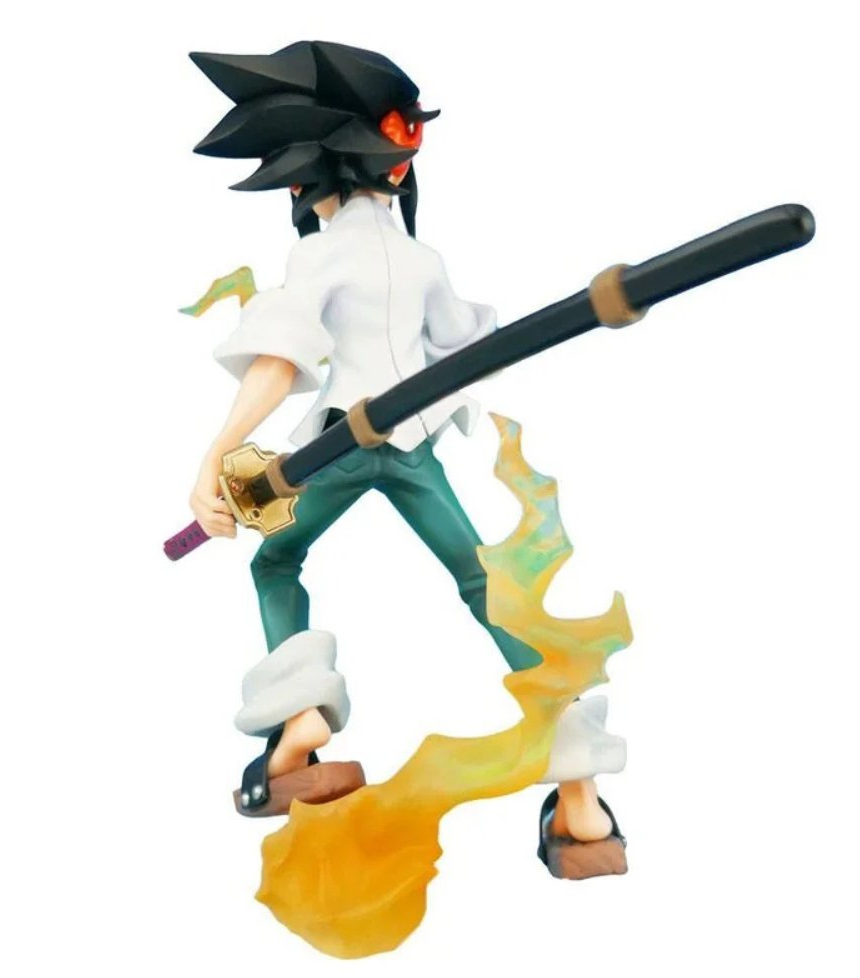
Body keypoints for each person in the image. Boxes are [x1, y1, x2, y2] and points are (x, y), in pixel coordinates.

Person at [188, 41, 626, 877]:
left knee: (276, 563)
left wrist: (218, 451)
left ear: (308, 177)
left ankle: (300, 720)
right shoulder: (423, 259)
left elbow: (281, 358)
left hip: (339, 449)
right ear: (392, 168)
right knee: (485, 587)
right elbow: (465, 342)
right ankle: (581, 795)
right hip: (414, 446)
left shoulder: (320, 252)